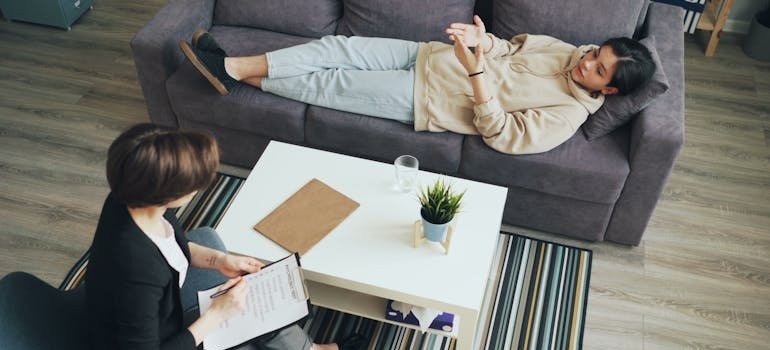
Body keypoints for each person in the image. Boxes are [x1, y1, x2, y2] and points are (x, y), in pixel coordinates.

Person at [179, 16, 655, 155]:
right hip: (427, 54)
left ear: (608, 91)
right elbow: (508, 48)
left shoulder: (568, 116)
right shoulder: (567, 52)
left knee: (333, 84)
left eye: (598, 69)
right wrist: (481, 42)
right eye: (596, 52)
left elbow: (503, 135)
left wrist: (475, 74)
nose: (587, 61)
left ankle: (227, 72)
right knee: (335, 48)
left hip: (426, 98)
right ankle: (234, 67)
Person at [84, 123, 365, 350]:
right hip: (161, 336)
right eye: (194, 187)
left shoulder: (132, 198)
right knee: (243, 320)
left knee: (253, 292)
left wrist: (219, 260)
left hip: (165, 309)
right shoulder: (135, 270)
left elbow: (170, 246)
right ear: (166, 194)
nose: (197, 191)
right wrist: (216, 315)